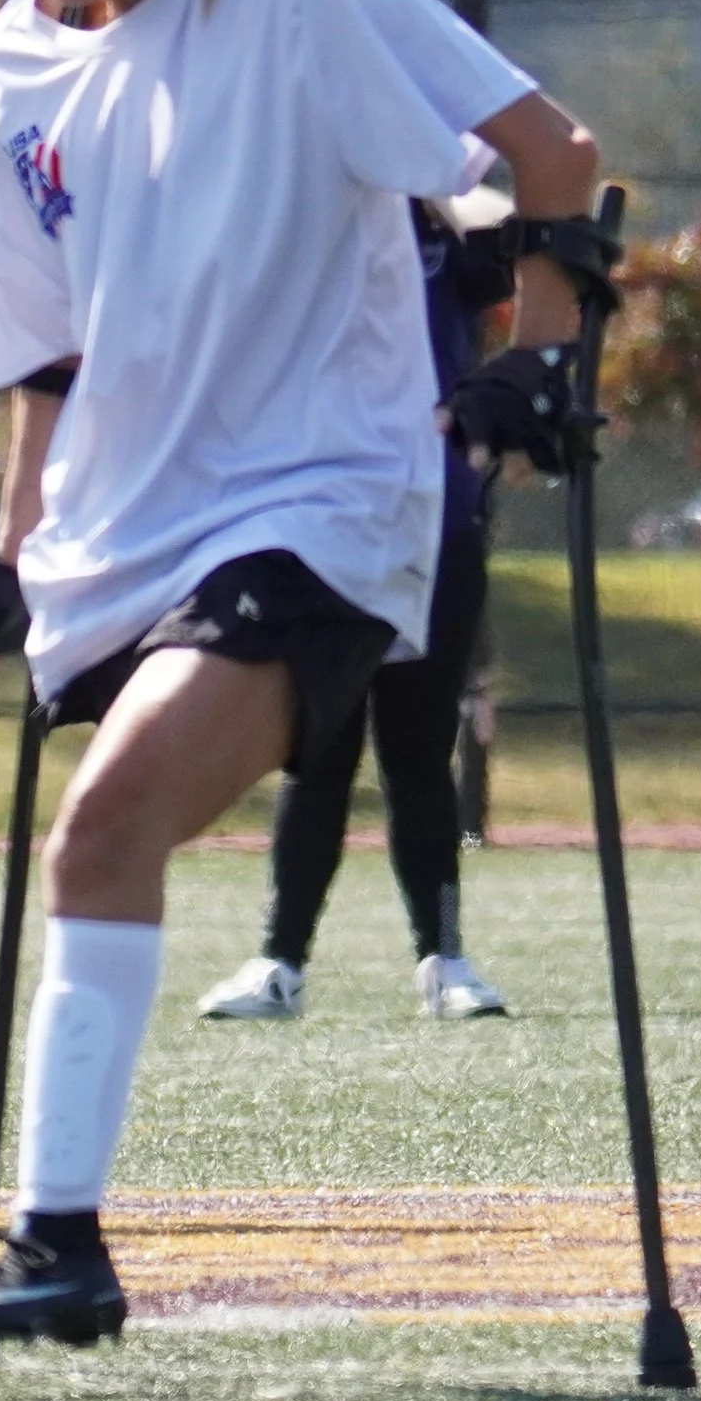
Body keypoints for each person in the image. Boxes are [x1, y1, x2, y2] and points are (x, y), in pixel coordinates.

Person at [0, 0, 601, 1353]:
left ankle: (56, 1244)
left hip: (329, 499)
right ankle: (51, 1249)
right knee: (110, 830)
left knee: (106, 826)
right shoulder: (12, 69)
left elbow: (550, 157)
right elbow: (50, 356)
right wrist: (13, 551)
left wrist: (542, 361)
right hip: (124, 532)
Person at [197, 196, 517, 1024]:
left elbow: (500, 222)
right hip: (320, 527)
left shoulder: (445, 222)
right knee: (320, 752)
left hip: (431, 526)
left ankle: (443, 957)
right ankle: (280, 959)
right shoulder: (300, 216)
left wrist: (428, 168)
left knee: (417, 749)